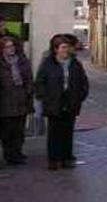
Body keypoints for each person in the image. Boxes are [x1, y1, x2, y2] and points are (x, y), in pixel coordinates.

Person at [34, 34, 89, 170]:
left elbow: (83, 82)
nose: (66, 50)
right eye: (63, 47)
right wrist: (45, 98)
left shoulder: (75, 64)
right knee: (54, 132)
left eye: (67, 47)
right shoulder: (48, 64)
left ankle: (67, 158)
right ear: (55, 49)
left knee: (68, 131)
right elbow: (40, 83)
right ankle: (53, 159)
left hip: (70, 102)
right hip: (54, 102)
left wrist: (80, 96)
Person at [0, 36, 33, 165]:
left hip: (21, 99)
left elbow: (29, 78)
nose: (11, 49)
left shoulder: (22, 61)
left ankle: (17, 153)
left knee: (19, 130)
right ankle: (9, 154)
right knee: (7, 131)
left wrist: (28, 91)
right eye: (7, 47)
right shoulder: (2, 63)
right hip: (5, 101)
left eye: (12, 46)